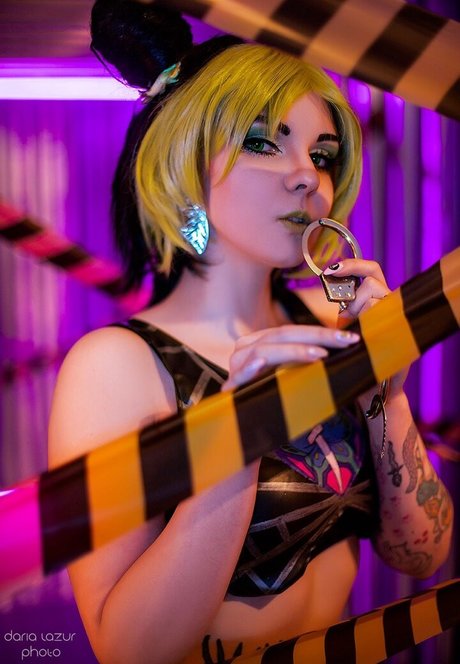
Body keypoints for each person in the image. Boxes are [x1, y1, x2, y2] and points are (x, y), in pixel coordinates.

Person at [48, 2, 453, 663]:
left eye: (322, 155)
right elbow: (126, 650)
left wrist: (387, 395)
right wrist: (235, 438)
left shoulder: (331, 323)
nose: (308, 176)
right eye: (263, 142)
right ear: (183, 163)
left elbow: (422, 555)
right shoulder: (115, 366)